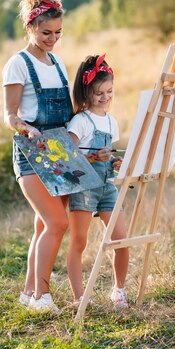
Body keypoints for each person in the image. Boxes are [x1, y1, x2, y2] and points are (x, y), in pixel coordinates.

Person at [2, 0, 72, 313]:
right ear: (30, 26)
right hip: (31, 153)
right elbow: (10, 115)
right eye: (46, 32)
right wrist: (27, 128)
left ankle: (29, 294)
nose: (52, 39)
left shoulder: (58, 64)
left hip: (58, 153)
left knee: (43, 225)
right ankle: (44, 296)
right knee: (57, 223)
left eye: (57, 32)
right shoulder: (17, 64)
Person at [66, 54, 129, 308]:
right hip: (84, 187)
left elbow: (109, 155)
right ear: (86, 92)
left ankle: (119, 290)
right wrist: (92, 157)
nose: (105, 97)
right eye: (98, 92)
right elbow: (68, 158)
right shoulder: (80, 121)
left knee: (121, 240)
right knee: (79, 242)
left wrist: (115, 162)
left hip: (106, 187)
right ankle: (80, 297)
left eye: (109, 91)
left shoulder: (112, 122)